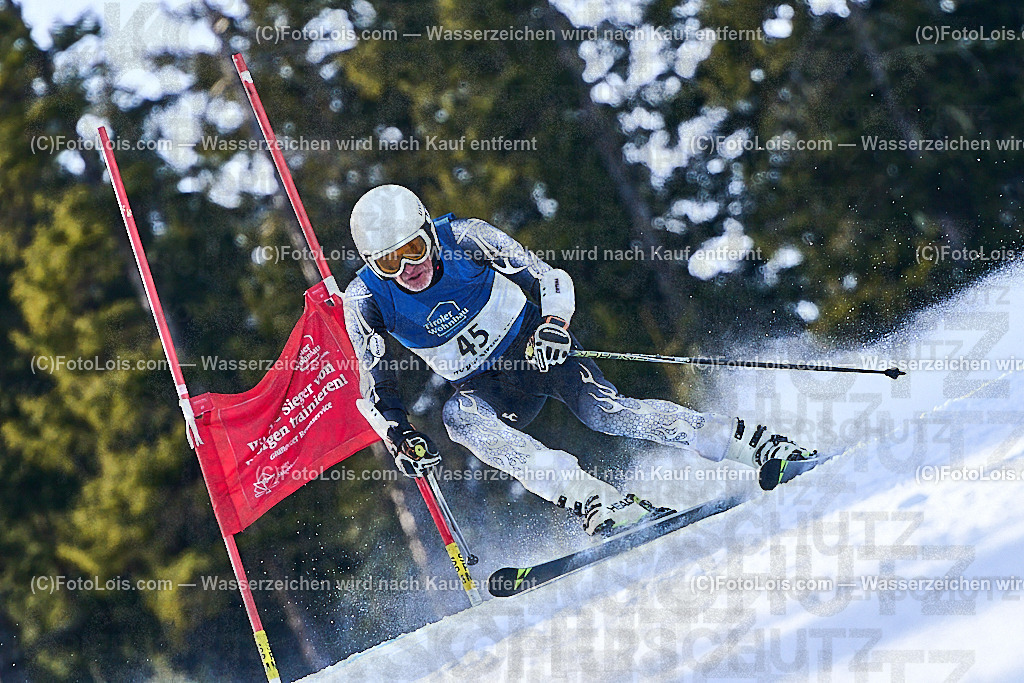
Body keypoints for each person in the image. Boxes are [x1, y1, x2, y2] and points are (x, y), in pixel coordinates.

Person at [342, 185, 814, 536]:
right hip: (484, 386)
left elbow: (549, 276)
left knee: (603, 411)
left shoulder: (465, 237)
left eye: (415, 249)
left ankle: (755, 444)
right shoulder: (365, 298)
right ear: (371, 264)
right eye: (390, 263)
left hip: (535, 349)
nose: (409, 268)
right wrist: (398, 435)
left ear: (428, 231)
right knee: (457, 420)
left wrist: (553, 324)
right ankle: (597, 500)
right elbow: (375, 385)